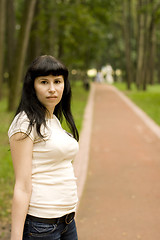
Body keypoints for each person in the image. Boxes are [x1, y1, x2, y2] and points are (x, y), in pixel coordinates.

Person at [8, 55, 79, 240]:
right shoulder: (25, 123)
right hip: (41, 225)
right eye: (44, 82)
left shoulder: (53, 119)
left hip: (67, 220)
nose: (52, 89)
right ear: (33, 86)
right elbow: (22, 186)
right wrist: (16, 237)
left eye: (57, 81)